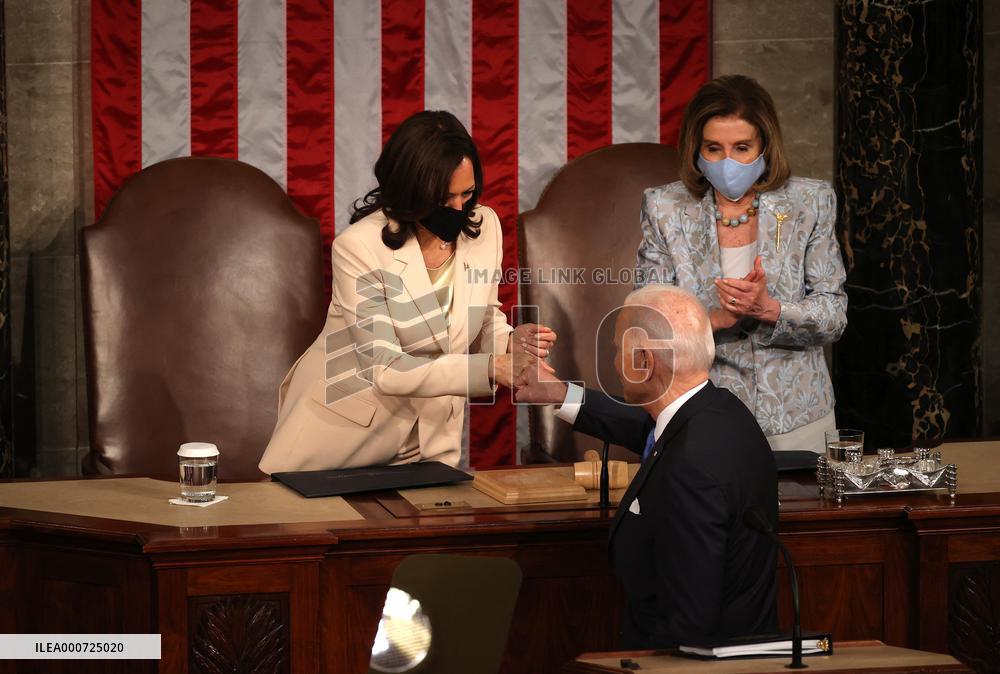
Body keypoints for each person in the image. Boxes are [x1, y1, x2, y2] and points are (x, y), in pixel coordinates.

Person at [259, 110, 555, 473]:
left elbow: (481, 316)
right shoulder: (359, 247)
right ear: (411, 190)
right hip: (340, 440)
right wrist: (492, 367)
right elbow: (386, 369)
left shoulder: (485, 227)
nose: (459, 209)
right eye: (444, 198)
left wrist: (509, 342)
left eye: (467, 193)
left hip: (431, 442)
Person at [515, 285, 778, 649]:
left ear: (644, 362)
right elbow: (653, 429)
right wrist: (560, 393)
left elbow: (687, 624)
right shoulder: (725, 413)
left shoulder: (689, 467)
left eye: (617, 350)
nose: (613, 362)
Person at [636, 74, 847, 452]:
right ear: (696, 149)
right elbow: (647, 325)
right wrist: (715, 319)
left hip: (798, 415)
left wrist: (770, 310)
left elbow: (834, 315)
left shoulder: (811, 202)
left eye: (742, 147)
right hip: (702, 416)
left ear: (765, 145)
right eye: (714, 148)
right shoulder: (664, 207)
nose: (728, 161)